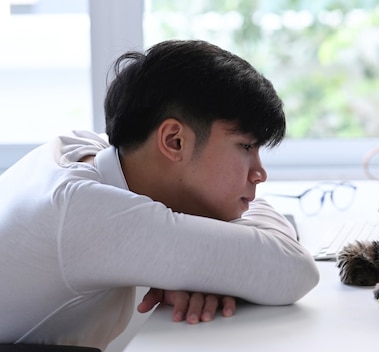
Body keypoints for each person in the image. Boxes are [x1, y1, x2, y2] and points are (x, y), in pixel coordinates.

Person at [0, 40, 319, 350]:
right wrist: (218, 259)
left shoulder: (82, 147)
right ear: (174, 141)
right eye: (246, 147)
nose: (259, 174)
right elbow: (293, 270)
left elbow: (272, 244)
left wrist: (199, 270)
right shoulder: (90, 212)